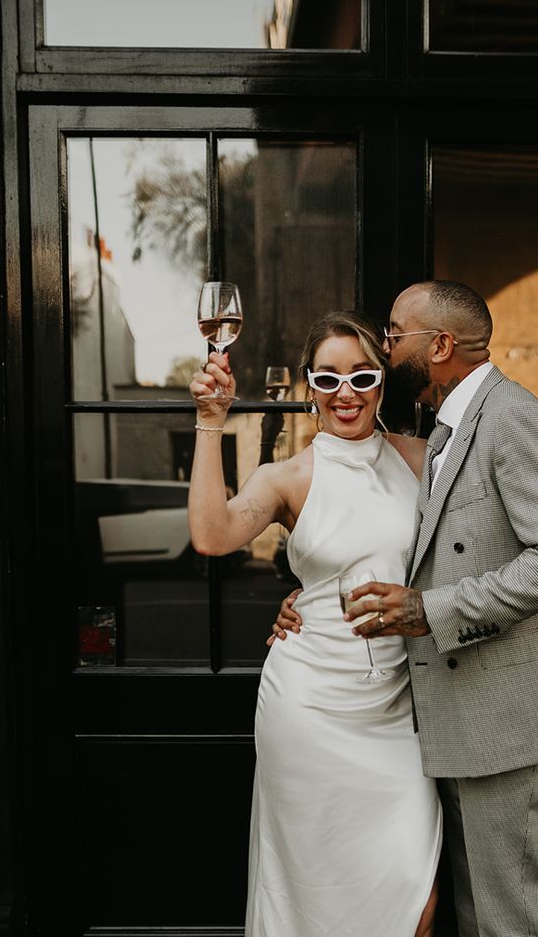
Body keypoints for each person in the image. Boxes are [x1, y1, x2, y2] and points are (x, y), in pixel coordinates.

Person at [275, 281, 538, 937]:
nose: (388, 343)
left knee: (513, 914)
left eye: (396, 334)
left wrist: (434, 609)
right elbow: (421, 550)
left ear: (441, 344)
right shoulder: (446, 427)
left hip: (518, 720)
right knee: (482, 911)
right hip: (462, 722)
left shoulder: (513, 419)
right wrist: (307, 597)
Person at [188, 311, 441, 937]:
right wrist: (210, 424)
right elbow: (212, 536)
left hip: (399, 710)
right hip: (309, 708)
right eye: (327, 379)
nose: (345, 393)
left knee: (414, 895)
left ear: (383, 380)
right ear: (309, 388)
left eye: (361, 375)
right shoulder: (287, 477)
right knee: (310, 895)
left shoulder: (423, 460)